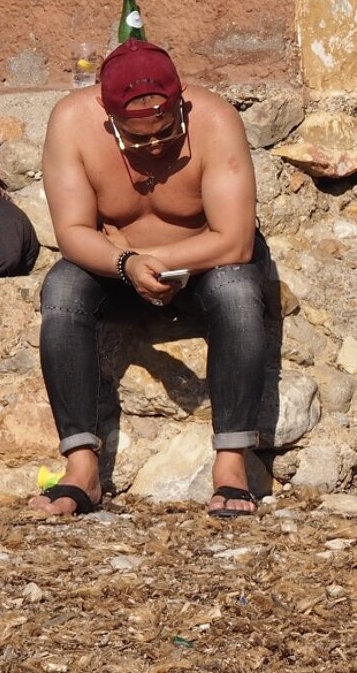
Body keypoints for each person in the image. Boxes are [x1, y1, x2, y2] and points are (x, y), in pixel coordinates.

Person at [30, 39, 271, 519]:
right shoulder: (73, 123)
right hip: (118, 266)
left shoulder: (215, 120)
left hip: (205, 265)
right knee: (61, 290)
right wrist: (126, 263)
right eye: (136, 138)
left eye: (166, 131)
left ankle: (232, 467)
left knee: (240, 291)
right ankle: (82, 469)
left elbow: (235, 240)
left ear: (181, 102)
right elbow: (73, 232)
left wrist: (153, 258)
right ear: (107, 113)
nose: (155, 146)